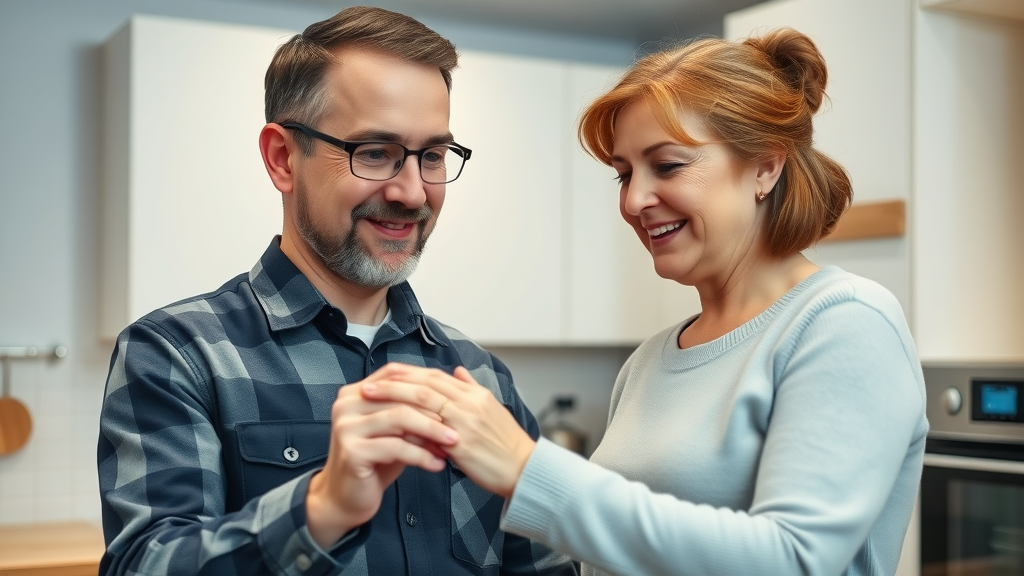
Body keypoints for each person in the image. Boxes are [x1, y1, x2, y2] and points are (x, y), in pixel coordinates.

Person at [361, 28, 930, 576]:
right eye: (623, 175)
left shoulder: (843, 323)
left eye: (668, 165)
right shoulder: (648, 362)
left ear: (765, 165)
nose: (635, 201)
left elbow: (794, 560)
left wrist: (528, 469)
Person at [97, 6, 577, 576]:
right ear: (282, 159)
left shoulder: (482, 378)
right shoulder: (177, 356)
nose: (412, 192)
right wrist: (321, 507)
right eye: (374, 152)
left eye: (432, 156)